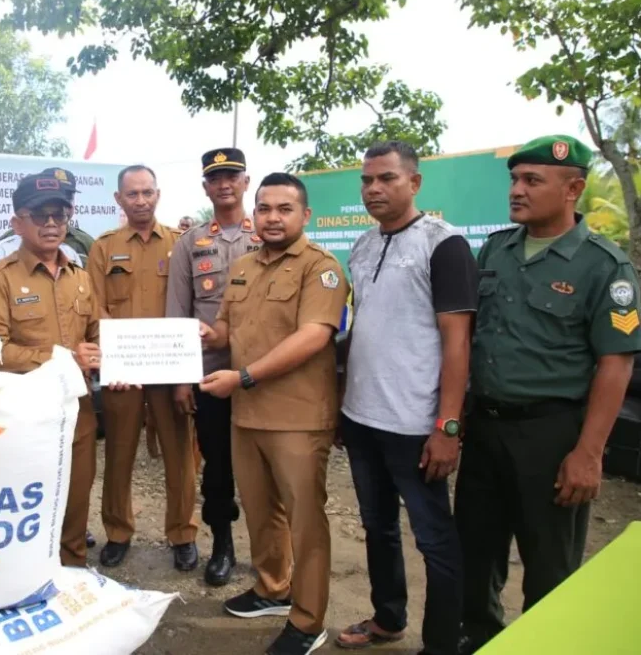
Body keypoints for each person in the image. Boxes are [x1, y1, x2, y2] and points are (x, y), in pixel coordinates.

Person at [456, 135, 641, 653]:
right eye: (515, 179)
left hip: (553, 434)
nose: (516, 190)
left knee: (550, 567)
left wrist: (588, 453)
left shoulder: (605, 266)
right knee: (476, 555)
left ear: (573, 189)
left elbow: (616, 362)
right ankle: (479, 640)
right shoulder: (498, 248)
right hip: (487, 427)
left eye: (532, 181)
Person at [335, 142, 477, 655]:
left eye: (387, 179)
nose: (374, 189)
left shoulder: (444, 244)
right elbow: (360, 330)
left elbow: (457, 342)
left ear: (414, 183)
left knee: (435, 540)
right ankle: (388, 617)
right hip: (362, 418)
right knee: (377, 527)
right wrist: (341, 406)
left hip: (417, 425)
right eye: (367, 180)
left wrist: (448, 426)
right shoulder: (362, 245)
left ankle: (442, 643)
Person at [199, 172, 348, 655]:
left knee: (306, 521)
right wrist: (204, 338)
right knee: (262, 513)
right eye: (264, 208)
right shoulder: (242, 265)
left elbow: (313, 336)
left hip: (298, 417)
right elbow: (225, 328)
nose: (273, 217)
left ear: (305, 215)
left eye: (284, 209)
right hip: (248, 415)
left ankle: (307, 620)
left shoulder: (320, 268)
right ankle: (272, 589)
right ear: (253, 214)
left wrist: (242, 377)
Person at [0, 170, 124, 567]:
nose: (52, 223)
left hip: (77, 416)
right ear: (17, 222)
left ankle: (70, 590)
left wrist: (124, 356)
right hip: (24, 419)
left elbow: (97, 335)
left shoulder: (80, 278)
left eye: (60, 214)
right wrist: (61, 358)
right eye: (40, 215)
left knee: (75, 510)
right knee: (28, 514)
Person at [89, 165, 199, 571]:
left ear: (158, 195)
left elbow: (189, 305)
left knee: (179, 454)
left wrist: (185, 368)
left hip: (171, 369)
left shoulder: (182, 242)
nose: (141, 200)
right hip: (124, 373)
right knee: (119, 452)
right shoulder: (103, 247)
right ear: (118, 199)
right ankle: (118, 532)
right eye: (132, 194)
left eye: (147, 192)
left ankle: (183, 534)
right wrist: (113, 356)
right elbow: (94, 307)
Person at [166, 147, 258, 586]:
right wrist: (182, 380)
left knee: (269, 465)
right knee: (218, 467)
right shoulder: (190, 242)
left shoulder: (268, 232)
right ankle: (223, 545)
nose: (224, 183)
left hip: (265, 375)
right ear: (206, 186)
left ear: (245, 181)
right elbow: (178, 313)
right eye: (215, 178)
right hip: (210, 376)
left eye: (232, 175)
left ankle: (275, 550)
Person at [0, 167, 95, 267]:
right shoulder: (4, 248)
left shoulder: (84, 244)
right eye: (51, 198)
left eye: (68, 197)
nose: (63, 205)